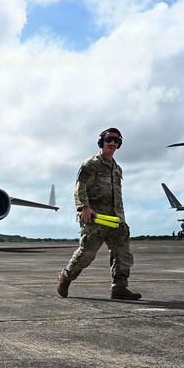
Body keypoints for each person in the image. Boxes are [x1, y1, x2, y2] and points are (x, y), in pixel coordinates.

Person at [57, 127, 142, 300]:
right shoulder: (91, 164)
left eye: (116, 140)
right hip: (95, 218)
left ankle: (119, 288)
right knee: (87, 254)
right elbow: (80, 187)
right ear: (101, 142)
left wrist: (121, 217)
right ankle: (66, 277)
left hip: (115, 219)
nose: (112, 143)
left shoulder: (117, 169)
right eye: (109, 139)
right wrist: (83, 207)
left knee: (123, 253)